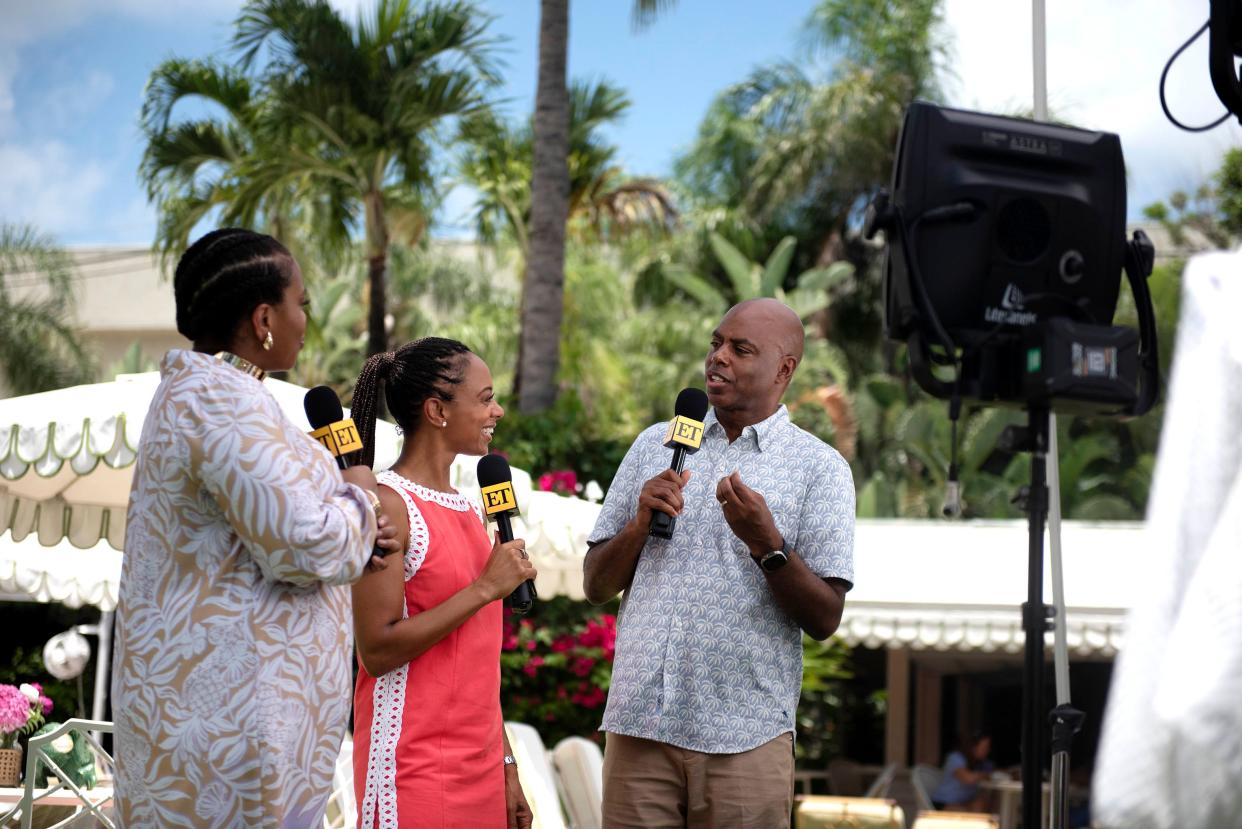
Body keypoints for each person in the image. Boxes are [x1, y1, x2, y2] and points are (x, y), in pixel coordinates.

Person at [112, 228, 399, 827]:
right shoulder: (220, 400)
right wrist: (364, 508)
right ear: (264, 317)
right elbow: (303, 545)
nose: (305, 320)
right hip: (226, 740)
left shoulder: (218, 394)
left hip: (230, 732)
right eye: (302, 304)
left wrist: (354, 526)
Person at [583, 298, 856, 829]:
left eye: (740, 348)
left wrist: (768, 545)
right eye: (715, 343)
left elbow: (825, 617)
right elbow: (595, 583)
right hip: (640, 727)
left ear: (784, 368)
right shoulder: (653, 446)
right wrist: (640, 522)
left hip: (745, 739)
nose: (718, 358)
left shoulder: (820, 469)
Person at [348, 338, 537, 829]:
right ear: (437, 410)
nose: (496, 410)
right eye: (485, 397)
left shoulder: (474, 509)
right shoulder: (388, 505)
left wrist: (508, 766)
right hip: (411, 768)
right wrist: (483, 589)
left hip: (480, 768)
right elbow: (377, 648)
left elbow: (478, 663)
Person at [930, 732, 994, 812]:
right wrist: (984, 775)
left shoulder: (981, 764)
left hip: (963, 802)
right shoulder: (955, 758)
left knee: (983, 803)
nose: (987, 751)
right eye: (984, 747)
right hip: (944, 803)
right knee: (975, 812)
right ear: (973, 747)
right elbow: (968, 778)